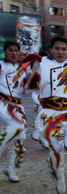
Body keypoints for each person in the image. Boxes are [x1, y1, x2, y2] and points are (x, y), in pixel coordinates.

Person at [26, 36, 67, 194]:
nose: (60, 52)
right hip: (48, 113)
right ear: (51, 49)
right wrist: (39, 98)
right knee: (56, 147)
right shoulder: (40, 64)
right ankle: (60, 176)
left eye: (64, 49)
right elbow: (31, 86)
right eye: (57, 48)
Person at [0, 41, 27, 182]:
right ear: (5, 51)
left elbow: (25, 90)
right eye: (11, 50)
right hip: (3, 102)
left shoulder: (22, 69)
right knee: (15, 127)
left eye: (16, 50)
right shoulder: (1, 65)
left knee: (21, 137)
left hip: (18, 105)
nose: (14, 53)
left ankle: (10, 168)